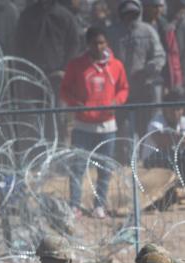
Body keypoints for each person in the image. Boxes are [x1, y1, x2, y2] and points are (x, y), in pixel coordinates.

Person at [60, 27, 128, 219]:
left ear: (107, 43)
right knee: (78, 168)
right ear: (87, 44)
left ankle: (99, 205)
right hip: (83, 126)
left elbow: (124, 89)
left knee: (104, 169)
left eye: (101, 42)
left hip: (107, 126)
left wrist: (117, 101)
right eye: (94, 43)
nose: (98, 47)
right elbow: (64, 90)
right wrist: (76, 105)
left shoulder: (116, 65)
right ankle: (74, 205)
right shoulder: (76, 65)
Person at [13, 0, 82, 97]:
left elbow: (74, 44)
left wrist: (64, 69)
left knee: (55, 109)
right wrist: (23, 68)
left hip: (56, 74)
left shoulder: (65, 16)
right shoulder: (27, 15)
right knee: (31, 108)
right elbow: (19, 44)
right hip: (32, 74)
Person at [109, 0, 165, 118]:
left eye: (134, 13)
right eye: (127, 13)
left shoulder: (148, 31)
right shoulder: (111, 32)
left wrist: (149, 69)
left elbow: (159, 55)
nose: (130, 16)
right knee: (121, 124)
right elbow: (105, 57)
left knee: (144, 123)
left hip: (143, 86)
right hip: (118, 87)